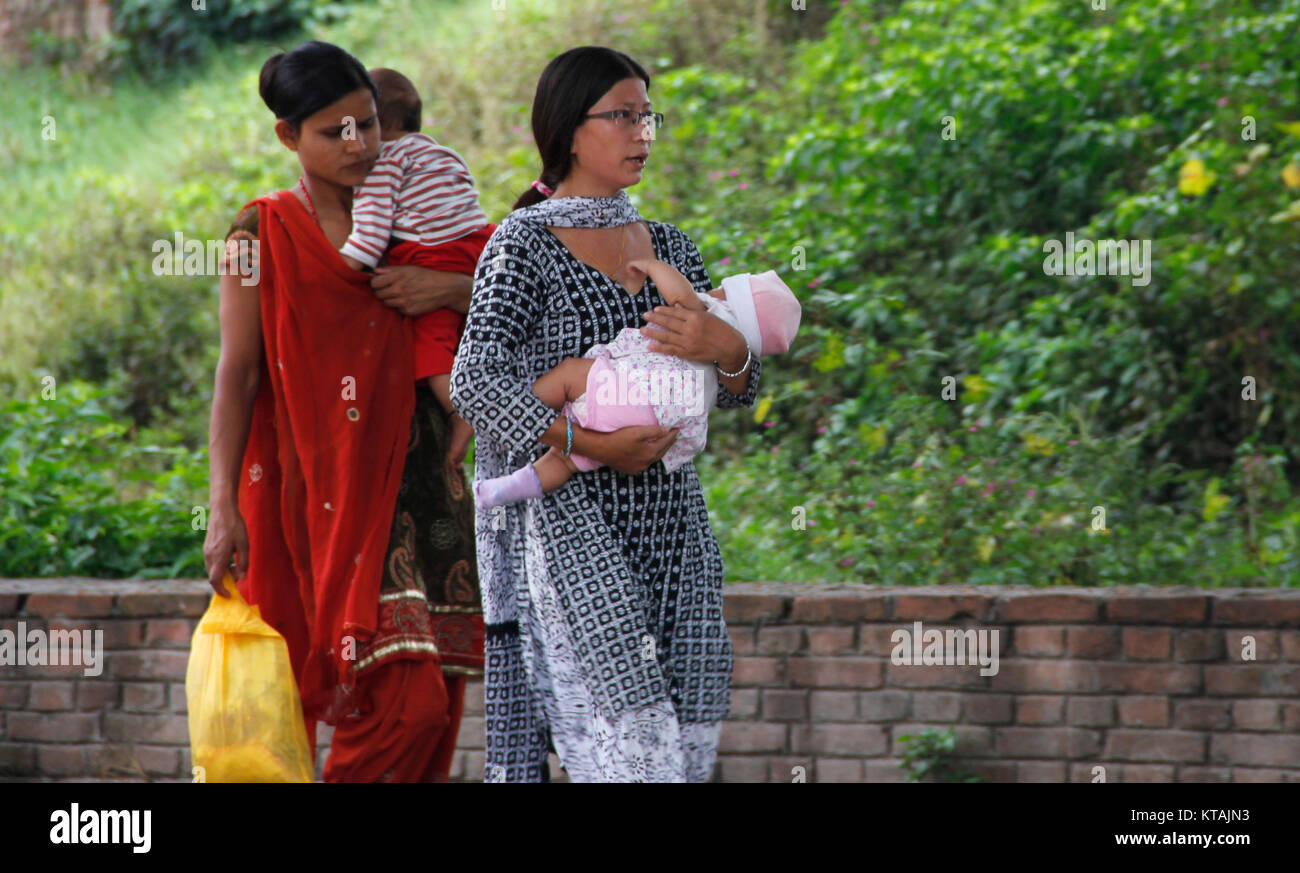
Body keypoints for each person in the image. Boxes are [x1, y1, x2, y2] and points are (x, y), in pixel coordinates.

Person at [450, 45, 761, 783]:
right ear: (568, 130)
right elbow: (477, 381)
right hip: (571, 534)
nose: (643, 132)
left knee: (683, 752)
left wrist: (730, 349)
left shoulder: (672, 246)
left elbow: (739, 391)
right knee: (630, 758)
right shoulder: (523, 244)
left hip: (674, 528)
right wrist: (590, 441)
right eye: (622, 115)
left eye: (647, 115)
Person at [203, 40, 483, 783]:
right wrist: (221, 504)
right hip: (318, 489)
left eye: (368, 124)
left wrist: (445, 293)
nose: (360, 145)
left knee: (438, 706)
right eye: (335, 132)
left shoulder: (414, 208)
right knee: (400, 699)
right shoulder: (257, 233)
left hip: (422, 472)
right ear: (288, 137)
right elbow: (237, 375)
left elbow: (491, 291)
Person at [474, 258, 800, 507]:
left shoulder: (712, 317)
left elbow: (681, 296)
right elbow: (736, 393)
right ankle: (502, 491)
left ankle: (518, 416)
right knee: (565, 461)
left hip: (631, 392)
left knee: (570, 374)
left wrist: (654, 266)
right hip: (655, 431)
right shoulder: (719, 360)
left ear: (733, 301)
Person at [338, 67, 493, 464]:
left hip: (433, 252)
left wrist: (336, 272)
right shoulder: (439, 151)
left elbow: (369, 238)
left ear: (378, 123)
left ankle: (462, 412)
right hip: (481, 242)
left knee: (430, 341)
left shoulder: (383, 162)